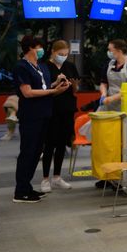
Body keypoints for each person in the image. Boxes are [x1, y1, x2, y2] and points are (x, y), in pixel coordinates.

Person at [12, 36, 70, 203]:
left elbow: (43, 88)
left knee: (37, 151)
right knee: (28, 152)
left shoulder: (40, 66)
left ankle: (27, 187)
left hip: (44, 113)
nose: (41, 50)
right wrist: (52, 92)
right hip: (30, 115)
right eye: (39, 47)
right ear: (30, 48)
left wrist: (56, 84)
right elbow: (28, 92)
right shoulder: (22, 67)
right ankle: (20, 190)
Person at [40, 40, 79, 193]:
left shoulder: (70, 66)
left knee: (62, 144)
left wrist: (73, 85)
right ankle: (45, 178)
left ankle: (57, 176)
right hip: (51, 108)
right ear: (53, 52)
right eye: (60, 54)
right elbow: (43, 88)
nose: (63, 57)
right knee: (49, 144)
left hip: (67, 108)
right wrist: (56, 85)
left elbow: (75, 90)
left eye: (65, 54)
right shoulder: (44, 67)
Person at [98, 39, 127, 111]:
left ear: (119, 51)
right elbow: (103, 83)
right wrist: (103, 95)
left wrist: (111, 98)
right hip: (110, 103)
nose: (108, 52)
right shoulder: (109, 64)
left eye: (110, 50)